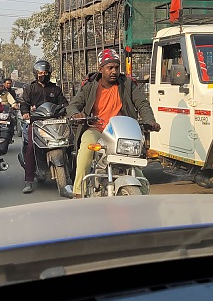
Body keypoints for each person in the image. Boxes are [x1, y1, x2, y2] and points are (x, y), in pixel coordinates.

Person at [67, 49, 160, 198]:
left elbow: (142, 104)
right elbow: (73, 105)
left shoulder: (128, 84)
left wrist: (150, 120)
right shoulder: (90, 86)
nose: (114, 71)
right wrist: (75, 114)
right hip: (97, 130)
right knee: (86, 147)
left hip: (121, 133)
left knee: (136, 167)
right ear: (100, 69)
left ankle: (143, 200)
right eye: (110, 67)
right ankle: (78, 191)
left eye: (116, 67)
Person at [20, 59, 67, 194]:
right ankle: (28, 180)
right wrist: (25, 113)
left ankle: (72, 173)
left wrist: (65, 108)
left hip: (55, 123)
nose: (43, 75)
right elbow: (24, 103)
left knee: (69, 144)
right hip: (37, 123)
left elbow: (63, 101)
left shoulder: (55, 89)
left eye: (46, 72)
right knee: (30, 148)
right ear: (36, 73)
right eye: (41, 72)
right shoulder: (30, 89)